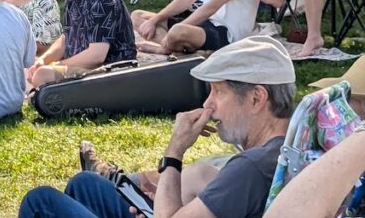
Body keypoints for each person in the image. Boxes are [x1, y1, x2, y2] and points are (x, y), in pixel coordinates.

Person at [19, 36, 296, 218]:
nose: (209, 105)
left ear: (257, 98)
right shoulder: (287, 151)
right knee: (86, 185)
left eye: (218, 93)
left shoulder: (251, 167)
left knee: (40, 201)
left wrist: (175, 150)